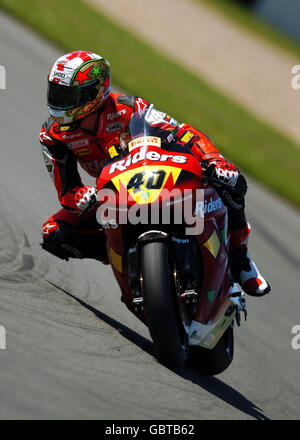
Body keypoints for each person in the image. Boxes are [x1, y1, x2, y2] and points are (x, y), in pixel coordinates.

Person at [40, 50, 270, 297]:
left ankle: (240, 258)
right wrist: (81, 196)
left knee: (232, 181)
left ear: (94, 93)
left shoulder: (129, 108)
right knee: (54, 232)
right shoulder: (53, 134)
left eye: (68, 95)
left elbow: (183, 132)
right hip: (113, 195)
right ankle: (126, 256)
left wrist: (213, 160)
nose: (60, 101)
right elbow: (67, 190)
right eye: (56, 92)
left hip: (159, 177)